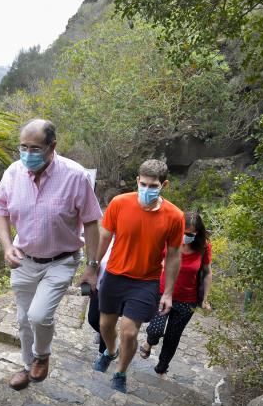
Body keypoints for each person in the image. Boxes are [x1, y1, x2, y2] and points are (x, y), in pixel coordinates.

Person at [0, 119, 102, 391]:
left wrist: (91, 266)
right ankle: (28, 367)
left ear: (52, 146)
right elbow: (0, 212)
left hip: (61, 261)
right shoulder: (13, 173)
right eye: (23, 147)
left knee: (39, 316)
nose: (28, 154)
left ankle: (43, 355)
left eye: (35, 148)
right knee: (23, 319)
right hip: (24, 259)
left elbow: (91, 221)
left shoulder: (75, 176)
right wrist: (7, 247)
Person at [91, 159, 185, 393]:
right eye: (143, 184)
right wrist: (92, 267)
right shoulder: (119, 203)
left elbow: (174, 256)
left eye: (153, 186)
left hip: (145, 282)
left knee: (130, 331)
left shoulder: (174, 216)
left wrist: (169, 293)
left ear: (164, 184)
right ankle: (110, 352)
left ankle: (121, 372)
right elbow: (105, 237)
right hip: (114, 275)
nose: (147, 189)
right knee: (104, 325)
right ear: (137, 180)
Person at [140, 212, 212, 375]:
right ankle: (149, 342)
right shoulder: (169, 240)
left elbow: (207, 272)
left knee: (173, 336)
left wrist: (205, 298)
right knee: (155, 329)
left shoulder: (203, 247)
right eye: (183, 232)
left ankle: (162, 366)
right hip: (163, 293)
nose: (186, 236)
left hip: (188, 300)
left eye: (190, 234)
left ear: (197, 233)